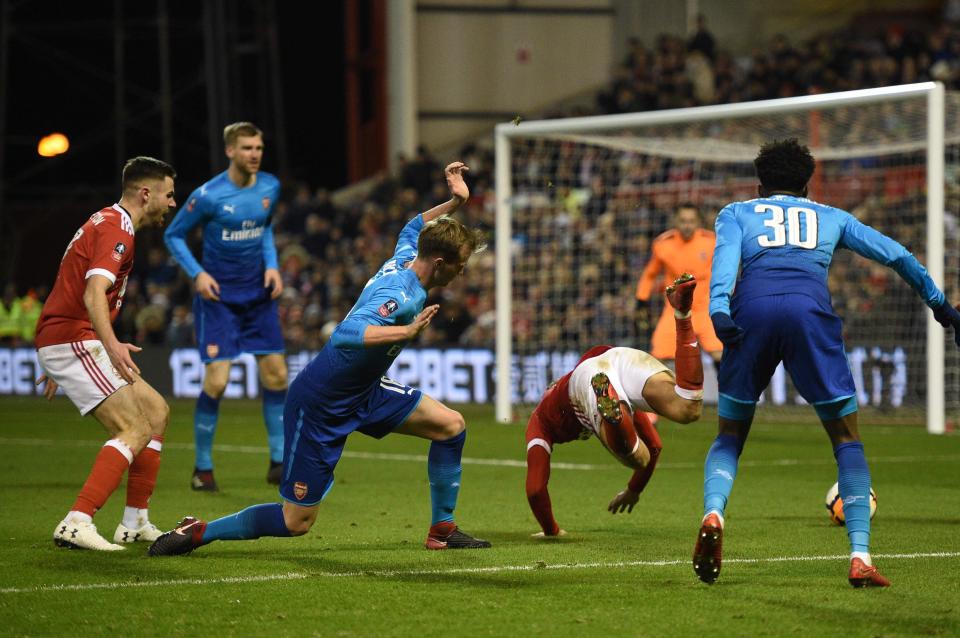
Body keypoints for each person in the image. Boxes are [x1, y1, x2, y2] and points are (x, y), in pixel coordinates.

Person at [149, 161, 491, 556]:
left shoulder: (407, 256)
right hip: (321, 403)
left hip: (365, 391)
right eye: (461, 264)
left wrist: (455, 201)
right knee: (296, 523)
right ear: (440, 263)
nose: (463, 272)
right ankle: (199, 531)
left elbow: (411, 226)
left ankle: (442, 530)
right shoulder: (400, 295)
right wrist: (405, 331)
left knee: (451, 425)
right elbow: (344, 335)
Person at [697, 138, 960, 588]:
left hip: (751, 312)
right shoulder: (831, 216)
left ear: (760, 185)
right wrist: (941, 305)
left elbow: (725, 264)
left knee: (730, 434)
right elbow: (896, 254)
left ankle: (714, 513)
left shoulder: (736, 213)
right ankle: (860, 556)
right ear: (808, 183)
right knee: (845, 438)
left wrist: (720, 309)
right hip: (809, 310)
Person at [34, 156, 177, 551]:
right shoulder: (118, 230)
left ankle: (134, 522)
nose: (172, 203)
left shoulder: (106, 220)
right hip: (76, 339)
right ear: (145, 193)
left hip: (71, 338)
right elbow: (92, 291)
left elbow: (71, 283)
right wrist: (109, 344)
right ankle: (77, 520)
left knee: (156, 412)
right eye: (168, 194)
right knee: (133, 428)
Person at [526, 275, 704, 537]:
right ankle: (682, 313)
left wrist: (551, 530)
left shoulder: (539, 420)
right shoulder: (566, 382)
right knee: (688, 409)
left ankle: (615, 417)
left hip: (587, 383)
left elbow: (535, 489)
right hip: (617, 357)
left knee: (637, 457)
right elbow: (656, 444)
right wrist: (634, 490)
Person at [164, 122, 287, 491]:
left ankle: (279, 463)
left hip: (258, 296)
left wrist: (272, 265)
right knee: (217, 381)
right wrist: (197, 274)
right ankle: (203, 469)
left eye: (259, 148)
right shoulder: (208, 195)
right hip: (218, 299)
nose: (255, 154)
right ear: (230, 151)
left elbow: (264, 227)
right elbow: (174, 234)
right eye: (247, 148)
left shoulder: (270, 186)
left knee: (278, 376)